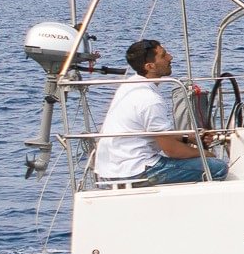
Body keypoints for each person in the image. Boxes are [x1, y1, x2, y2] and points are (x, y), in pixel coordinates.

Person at [93, 38, 228, 186]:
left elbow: (156, 133)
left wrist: (189, 138)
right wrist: (206, 154)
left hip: (110, 171)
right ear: (150, 66)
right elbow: (172, 150)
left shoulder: (129, 85)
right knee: (217, 167)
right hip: (134, 172)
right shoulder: (150, 99)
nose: (170, 57)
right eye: (164, 55)